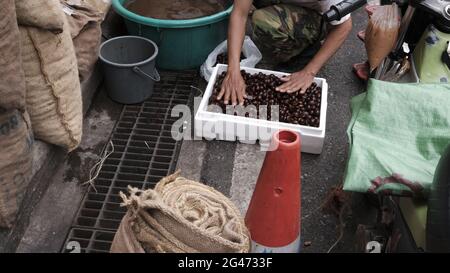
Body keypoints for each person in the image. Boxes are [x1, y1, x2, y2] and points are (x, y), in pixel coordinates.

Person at [218, 0, 353, 105]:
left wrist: (309, 71)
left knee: (265, 21)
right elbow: (239, 14)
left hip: (316, 15)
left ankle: (307, 50)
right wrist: (233, 70)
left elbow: (343, 27)